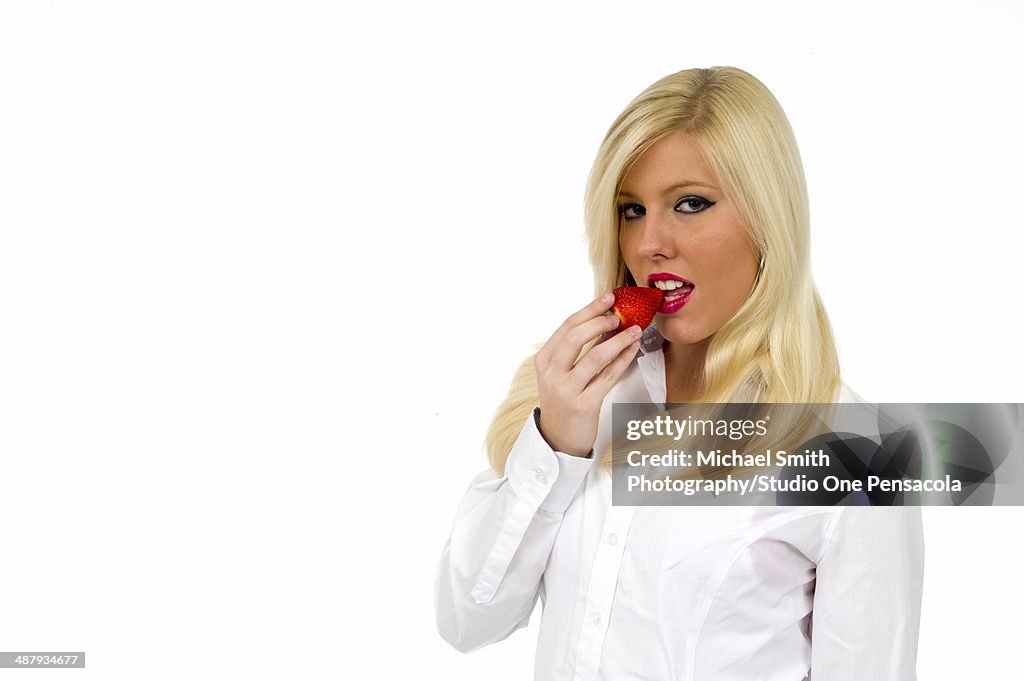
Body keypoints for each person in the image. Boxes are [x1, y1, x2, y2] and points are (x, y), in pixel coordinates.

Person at [434, 66, 924, 680]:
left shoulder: (856, 453)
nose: (649, 243)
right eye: (631, 209)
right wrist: (556, 443)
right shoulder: (580, 398)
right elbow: (467, 622)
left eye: (691, 204)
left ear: (768, 219)